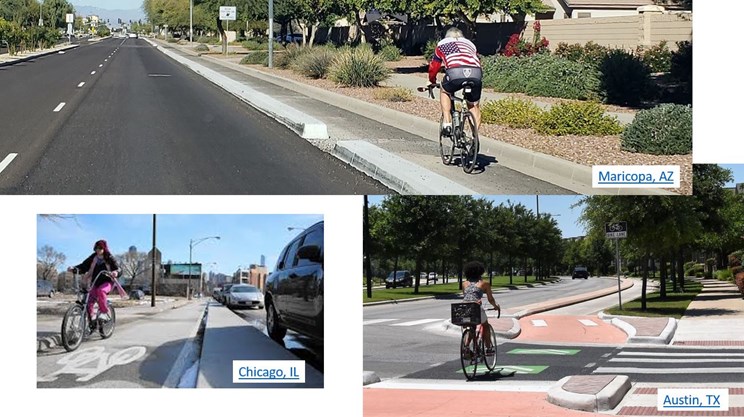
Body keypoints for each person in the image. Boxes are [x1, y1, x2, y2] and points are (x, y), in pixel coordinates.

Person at [427, 27, 483, 136]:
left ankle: (447, 123)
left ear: (447, 36)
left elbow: (434, 66)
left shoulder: (441, 44)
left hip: (455, 72)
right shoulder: (470, 44)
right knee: (473, 105)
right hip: (476, 73)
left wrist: (431, 80)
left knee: (444, 90)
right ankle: (474, 138)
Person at [68, 240, 123, 326]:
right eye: (96, 248)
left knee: (101, 291)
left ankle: (104, 313)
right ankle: (92, 320)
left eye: (100, 248)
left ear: (104, 248)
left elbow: (119, 269)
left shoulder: (109, 257)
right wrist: (74, 269)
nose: (98, 250)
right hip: (95, 283)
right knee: (89, 301)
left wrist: (116, 272)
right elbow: (84, 266)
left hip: (107, 282)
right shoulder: (93, 257)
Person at [462, 261, 500, 355]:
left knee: (471, 326)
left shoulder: (464, 284)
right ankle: (488, 347)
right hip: (476, 308)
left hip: (464, 308)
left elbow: (466, 297)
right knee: (485, 325)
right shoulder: (484, 284)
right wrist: (496, 306)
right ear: (480, 272)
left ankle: (466, 347)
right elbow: (490, 299)